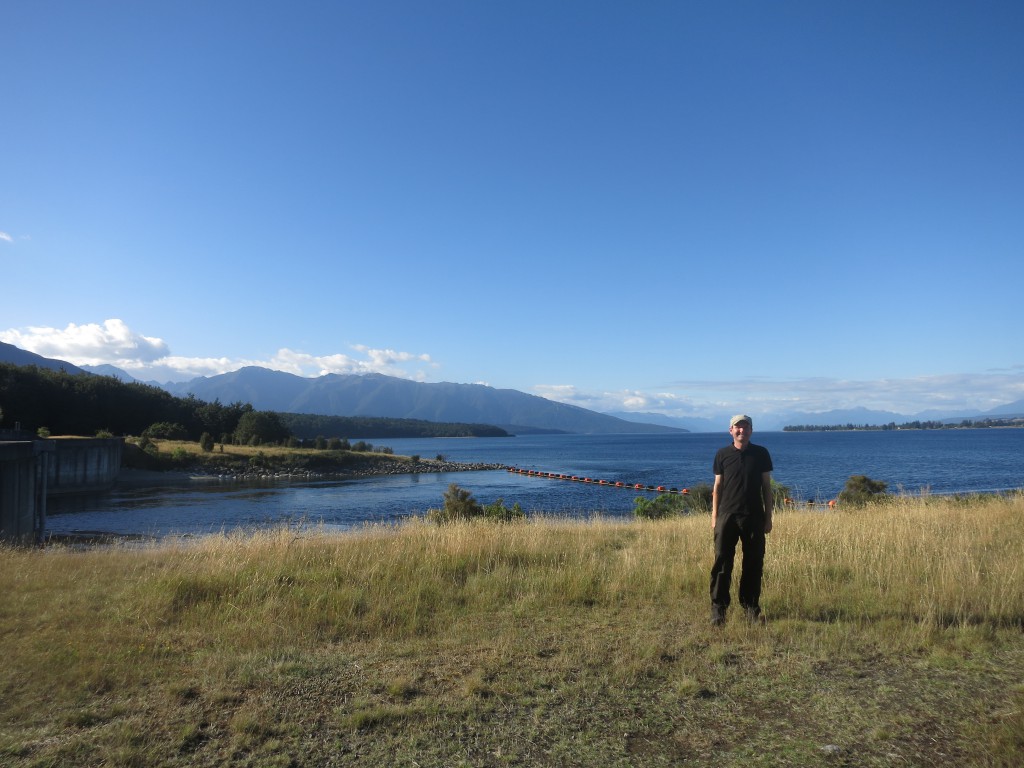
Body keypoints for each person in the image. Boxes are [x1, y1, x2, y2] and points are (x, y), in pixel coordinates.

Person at [709, 414, 774, 626]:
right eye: (737, 428)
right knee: (722, 564)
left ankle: (751, 610)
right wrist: (715, 517)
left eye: (745, 428)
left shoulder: (761, 453)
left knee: (753, 564)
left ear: (751, 431)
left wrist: (768, 517)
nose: (741, 431)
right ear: (731, 430)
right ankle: (719, 611)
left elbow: (766, 487)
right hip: (727, 516)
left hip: (754, 516)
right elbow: (717, 487)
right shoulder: (722, 454)